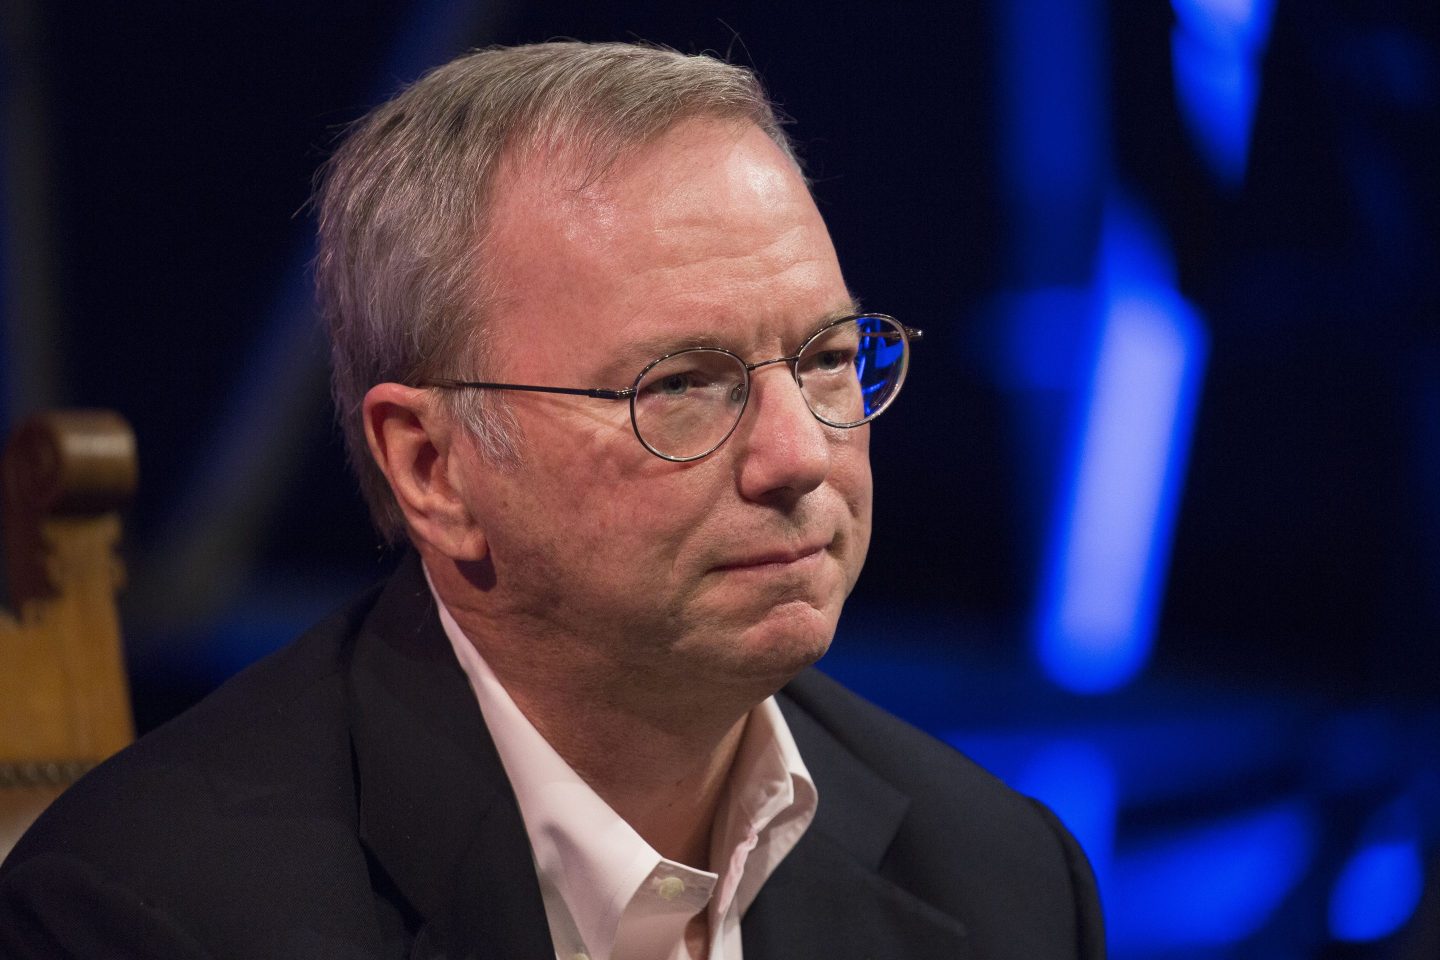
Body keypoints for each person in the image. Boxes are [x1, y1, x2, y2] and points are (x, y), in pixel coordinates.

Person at [0, 41, 1104, 960]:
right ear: (432, 468)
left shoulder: (1006, 885)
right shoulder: (147, 919)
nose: (798, 457)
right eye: (681, 385)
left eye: (823, 359)